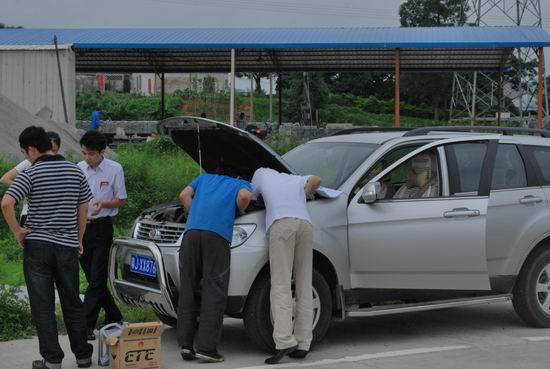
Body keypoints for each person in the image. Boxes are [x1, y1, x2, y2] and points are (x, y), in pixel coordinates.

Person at [1, 126, 93, 369]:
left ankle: (52, 361)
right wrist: (79, 239)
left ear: (32, 149)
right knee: (72, 301)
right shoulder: (76, 171)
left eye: (25, 152)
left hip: (38, 247)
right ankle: (83, 355)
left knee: (43, 305)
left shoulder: (31, 173)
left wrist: (18, 231)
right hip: (67, 247)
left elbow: (6, 203)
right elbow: (84, 208)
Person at [177, 169, 252, 363]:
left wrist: (194, 213)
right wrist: (240, 210)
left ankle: (185, 345)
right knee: (213, 289)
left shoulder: (204, 178)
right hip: (216, 237)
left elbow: (184, 195)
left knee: (188, 288)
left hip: (191, 234)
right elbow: (245, 196)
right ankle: (207, 349)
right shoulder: (240, 183)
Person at [251, 167, 321, 365]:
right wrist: (301, 196)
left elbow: (250, 197)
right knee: (304, 283)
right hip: (305, 224)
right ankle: (303, 343)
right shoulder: (294, 178)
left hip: (282, 223)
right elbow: (316, 178)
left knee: (281, 283)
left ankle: (283, 341)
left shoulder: (260, 174)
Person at [78, 131, 127, 340]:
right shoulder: (78, 169)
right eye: (84, 153)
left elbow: (121, 199)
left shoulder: (114, 169)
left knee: (98, 278)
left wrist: (103, 204)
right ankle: (114, 315)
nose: (86, 158)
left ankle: (84, 326)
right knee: (92, 278)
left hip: (102, 227)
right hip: (81, 228)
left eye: (90, 154)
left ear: (101, 152)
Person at [1, 132, 61, 225]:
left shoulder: (62, 165)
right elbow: (5, 178)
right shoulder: (29, 162)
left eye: (54, 150)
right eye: (49, 149)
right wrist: (26, 189)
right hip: (29, 215)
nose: (51, 154)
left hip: (54, 217)